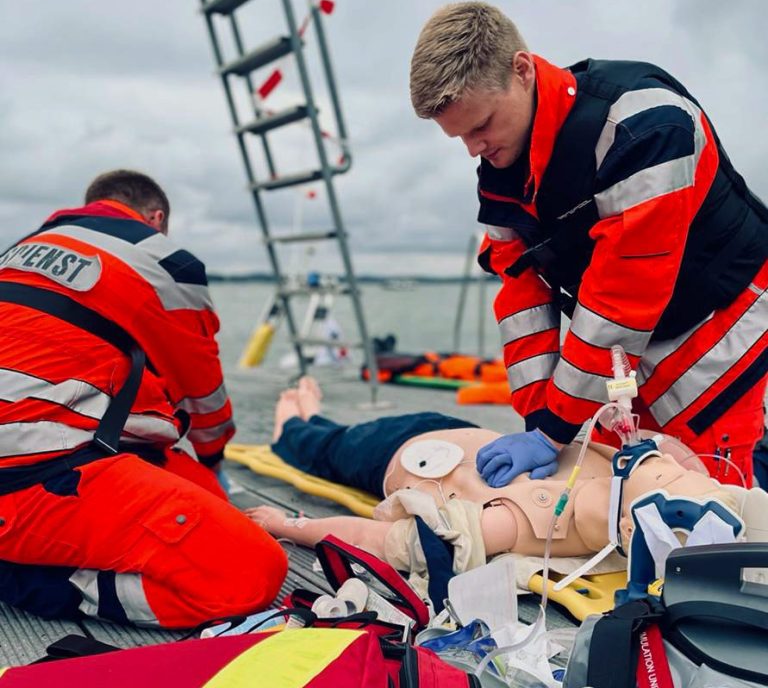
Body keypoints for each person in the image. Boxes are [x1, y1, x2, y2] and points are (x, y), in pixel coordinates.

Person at [408, 2, 768, 487]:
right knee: (610, 479)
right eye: (460, 138)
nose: (474, 149)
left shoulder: (645, 127)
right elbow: (521, 298)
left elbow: (624, 295)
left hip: (721, 325)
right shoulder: (500, 173)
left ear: (522, 71)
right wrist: (538, 421)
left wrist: (554, 432)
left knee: (708, 493)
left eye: (481, 126)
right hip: (629, 345)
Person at [0, 170, 287, 628]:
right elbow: (202, 396)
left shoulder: (18, 251)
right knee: (250, 572)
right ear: (156, 218)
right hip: (33, 477)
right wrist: (214, 457)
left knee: (203, 492)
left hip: (39, 453)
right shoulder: (166, 262)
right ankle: (30, 580)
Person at [248, 378, 753, 571]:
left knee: (318, 445)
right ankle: (303, 413)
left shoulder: (533, 521)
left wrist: (290, 526)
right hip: (453, 435)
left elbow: (391, 542)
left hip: (400, 454)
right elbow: (681, 460)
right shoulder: (653, 478)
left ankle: (294, 417)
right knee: (325, 440)